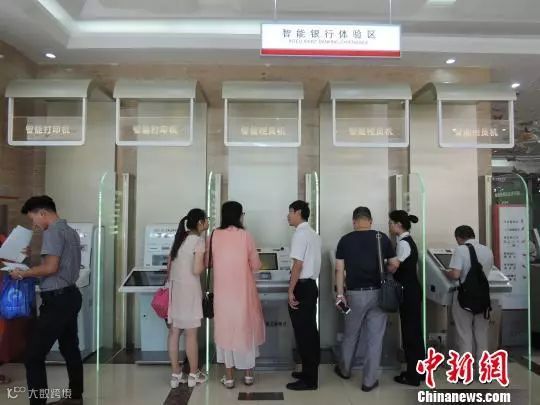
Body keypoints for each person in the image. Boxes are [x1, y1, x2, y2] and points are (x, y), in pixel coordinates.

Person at [9, 196, 83, 405]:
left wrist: (23, 273)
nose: (34, 225)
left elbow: (51, 268)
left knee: (33, 355)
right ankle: (75, 396)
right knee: (70, 349)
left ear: (43, 213)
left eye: (33, 219)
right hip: (70, 296)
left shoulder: (52, 232)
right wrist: (32, 258)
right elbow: (57, 263)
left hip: (57, 300)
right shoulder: (69, 231)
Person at [334, 206, 399, 392]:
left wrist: (340, 295)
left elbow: (339, 269)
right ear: (370, 221)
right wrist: (384, 271)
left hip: (354, 295)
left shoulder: (345, 240)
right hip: (379, 294)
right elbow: (394, 264)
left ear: (354, 222)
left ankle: (345, 370)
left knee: (350, 335)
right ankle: (369, 381)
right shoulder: (381, 238)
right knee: (375, 339)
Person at [211, 201, 265, 389]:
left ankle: (229, 378)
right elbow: (256, 265)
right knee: (245, 330)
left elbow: (209, 261)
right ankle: (248, 375)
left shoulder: (214, 235)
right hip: (243, 294)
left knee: (226, 332)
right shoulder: (245, 235)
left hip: (223, 295)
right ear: (239, 215)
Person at [166, 209, 208, 389]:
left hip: (175, 289)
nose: (207, 222)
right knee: (191, 334)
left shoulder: (179, 240)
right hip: (190, 290)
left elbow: (169, 266)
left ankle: (175, 375)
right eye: (206, 219)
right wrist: (206, 263)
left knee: (174, 332)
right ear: (200, 222)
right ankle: (193, 374)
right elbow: (196, 270)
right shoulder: (199, 241)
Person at [286, 200, 321, 391]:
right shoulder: (313, 234)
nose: (288, 216)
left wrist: (291, 290)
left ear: (298, 212)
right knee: (309, 331)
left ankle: (309, 379)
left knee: (304, 333)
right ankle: (309, 371)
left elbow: (297, 265)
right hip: (311, 287)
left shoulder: (300, 234)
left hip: (302, 287)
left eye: (290, 212)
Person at [445, 225, 493, 361]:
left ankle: (466, 368)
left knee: (464, 334)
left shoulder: (460, 250)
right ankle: (482, 368)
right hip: (483, 298)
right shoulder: (487, 250)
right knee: (481, 334)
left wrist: (446, 272)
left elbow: (455, 274)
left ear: (458, 237)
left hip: (464, 297)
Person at [388, 210, 425, 387]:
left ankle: (412, 376)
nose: (389, 226)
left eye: (391, 223)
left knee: (410, 334)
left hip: (408, 292)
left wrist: (383, 264)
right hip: (412, 290)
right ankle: (420, 371)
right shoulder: (408, 241)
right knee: (415, 333)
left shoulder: (403, 243)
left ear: (399, 225)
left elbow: (394, 266)